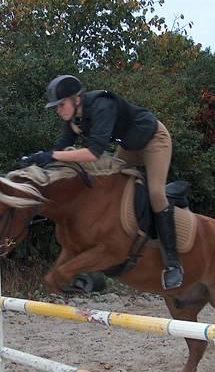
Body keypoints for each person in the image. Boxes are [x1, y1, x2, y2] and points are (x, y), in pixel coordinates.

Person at [18, 74, 183, 290]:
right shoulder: (73, 120)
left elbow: (94, 153)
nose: (58, 110)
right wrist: (36, 160)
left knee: (155, 193)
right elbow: (60, 149)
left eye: (61, 104)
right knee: (111, 184)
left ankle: (172, 264)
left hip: (154, 141)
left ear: (76, 98)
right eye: (56, 107)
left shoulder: (102, 105)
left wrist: (51, 156)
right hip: (130, 147)